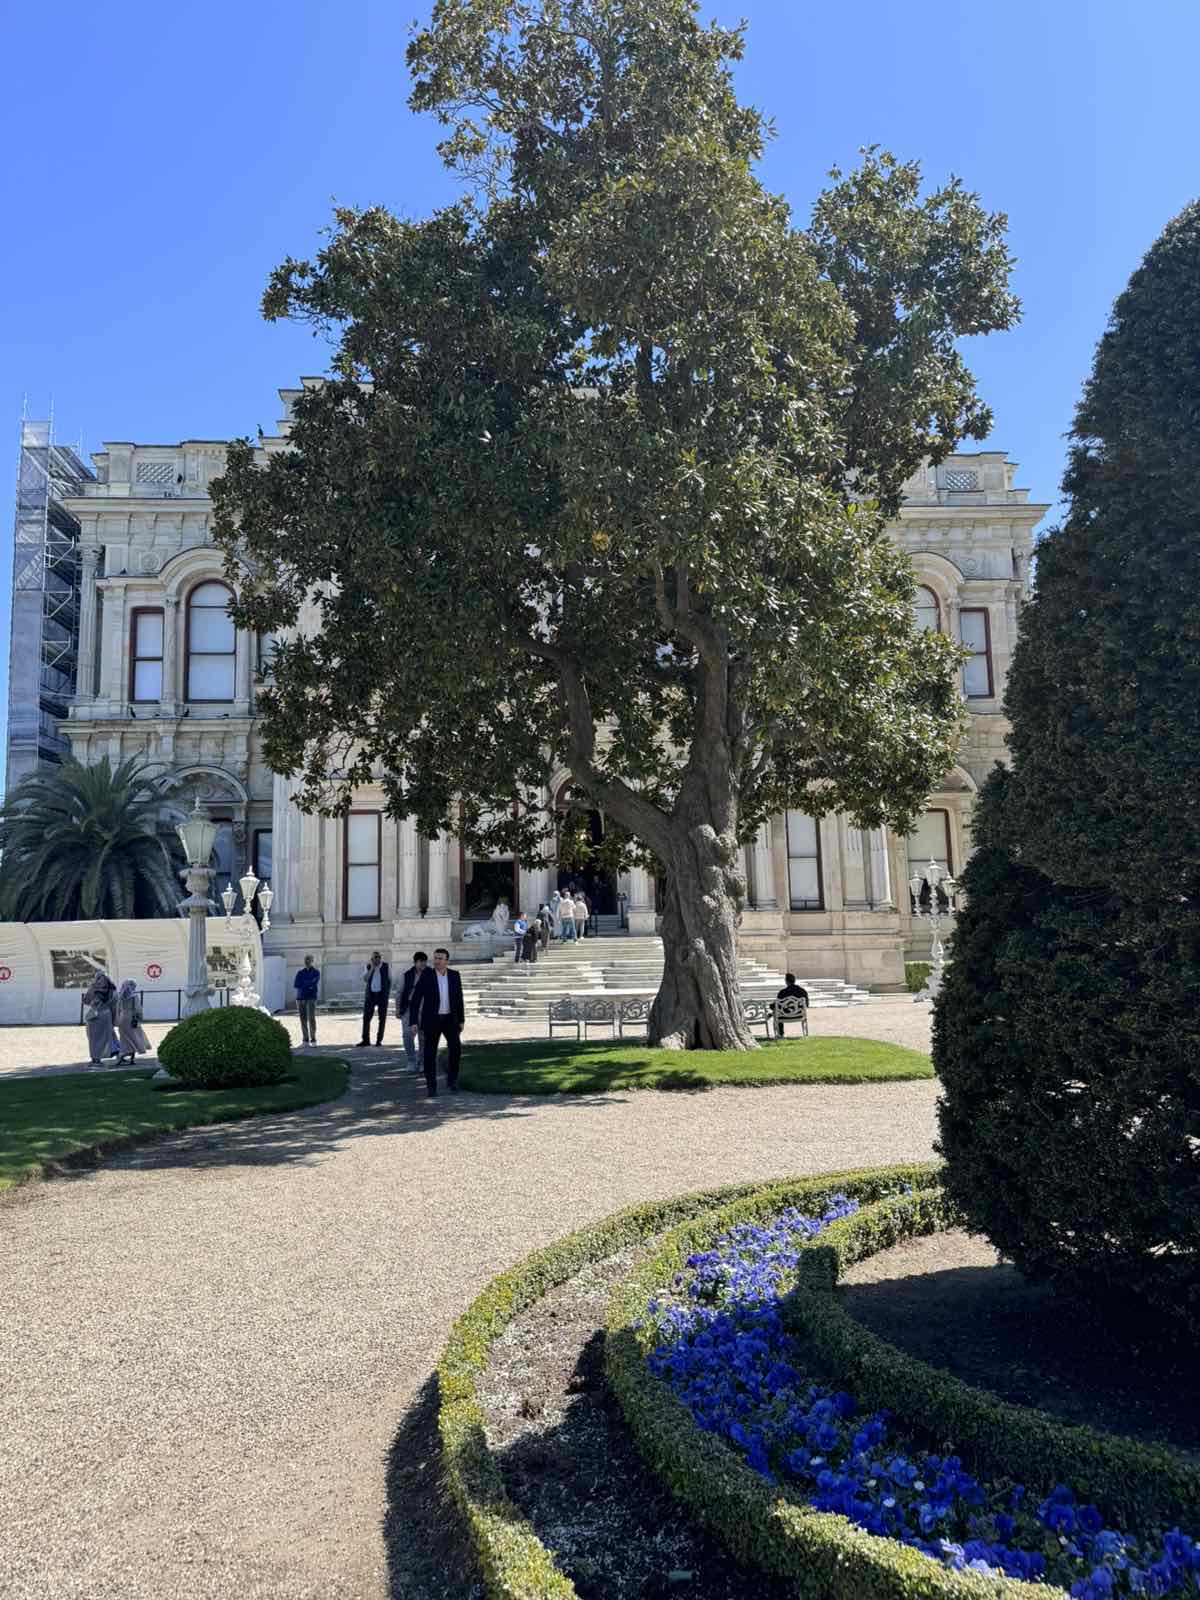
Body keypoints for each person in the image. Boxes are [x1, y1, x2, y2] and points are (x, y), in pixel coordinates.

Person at [414, 947, 465, 1097]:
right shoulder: (427, 975)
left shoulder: (455, 975)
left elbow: (459, 999)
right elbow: (416, 998)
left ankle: (452, 1082)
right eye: (435, 958)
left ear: (446, 961)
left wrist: (461, 1019)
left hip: (450, 1020)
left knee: (456, 1050)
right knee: (429, 1054)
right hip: (432, 1020)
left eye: (440, 958)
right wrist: (413, 1022)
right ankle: (431, 1086)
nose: (436, 961)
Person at [395, 951, 428, 1073]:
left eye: (424, 962)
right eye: (420, 962)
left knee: (424, 1036)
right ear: (415, 962)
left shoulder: (430, 974)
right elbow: (399, 993)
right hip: (409, 1008)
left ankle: (422, 1061)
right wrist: (398, 1008)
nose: (423, 964)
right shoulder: (406, 975)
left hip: (425, 1008)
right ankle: (411, 1061)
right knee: (407, 1034)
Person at [82, 970, 118, 1066]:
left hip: (94, 1015)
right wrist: (114, 1019)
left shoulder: (93, 987)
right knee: (104, 1038)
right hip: (107, 1015)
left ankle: (95, 1059)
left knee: (93, 1039)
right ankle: (101, 1057)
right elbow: (115, 1005)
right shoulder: (112, 989)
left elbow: (86, 1001)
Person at [359, 951, 391, 1047]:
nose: (376, 959)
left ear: (380, 958)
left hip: (382, 996)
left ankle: (379, 1040)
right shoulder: (368, 966)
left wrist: (387, 994)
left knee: (382, 1018)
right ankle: (365, 1040)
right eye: (374, 957)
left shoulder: (386, 966)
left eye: (378, 957)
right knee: (366, 1018)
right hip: (371, 995)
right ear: (372, 959)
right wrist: (372, 968)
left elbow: (390, 980)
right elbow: (365, 979)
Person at [115, 979, 151, 1063]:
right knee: (134, 1038)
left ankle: (125, 1055)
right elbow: (138, 1009)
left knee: (125, 1039)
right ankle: (128, 1057)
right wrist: (140, 1017)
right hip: (131, 1018)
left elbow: (117, 1008)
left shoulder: (120, 996)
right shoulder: (134, 996)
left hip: (122, 1018)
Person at [293, 955, 320, 1045]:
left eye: (309, 960)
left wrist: (303, 983)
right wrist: (308, 983)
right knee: (303, 1020)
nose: (307, 962)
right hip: (300, 998)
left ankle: (313, 1039)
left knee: (311, 1019)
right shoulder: (300, 972)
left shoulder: (316, 972)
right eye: (306, 960)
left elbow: (314, 983)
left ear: (312, 961)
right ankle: (305, 1039)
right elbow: (296, 984)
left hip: (311, 998)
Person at [775, 973, 810, 1038]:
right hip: (800, 1015)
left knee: (776, 1012)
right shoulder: (802, 991)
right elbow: (807, 1005)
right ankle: (805, 1033)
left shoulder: (782, 992)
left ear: (786, 981)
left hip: (784, 1016)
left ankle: (781, 1034)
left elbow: (777, 1006)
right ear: (794, 980)